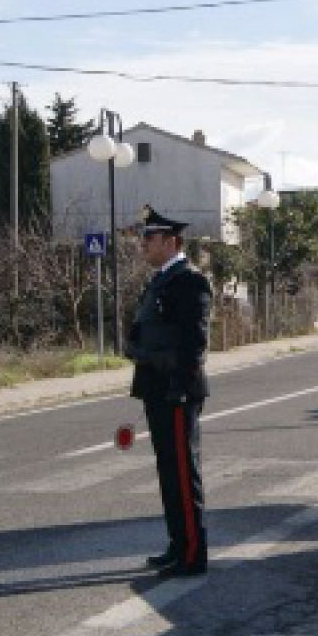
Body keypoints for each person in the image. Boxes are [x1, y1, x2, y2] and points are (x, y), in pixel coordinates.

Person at [125, 206, 214, 578]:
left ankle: (193, 554)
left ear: (171, 241)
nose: (143, 244)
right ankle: (178, 544)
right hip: (157, 387)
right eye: (144, 238)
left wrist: (179, 386)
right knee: (167, 471)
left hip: (175, 389)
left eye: (150, 238)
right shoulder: (162, 278)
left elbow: (195, 341)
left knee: (181, 471)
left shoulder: (189, 280)